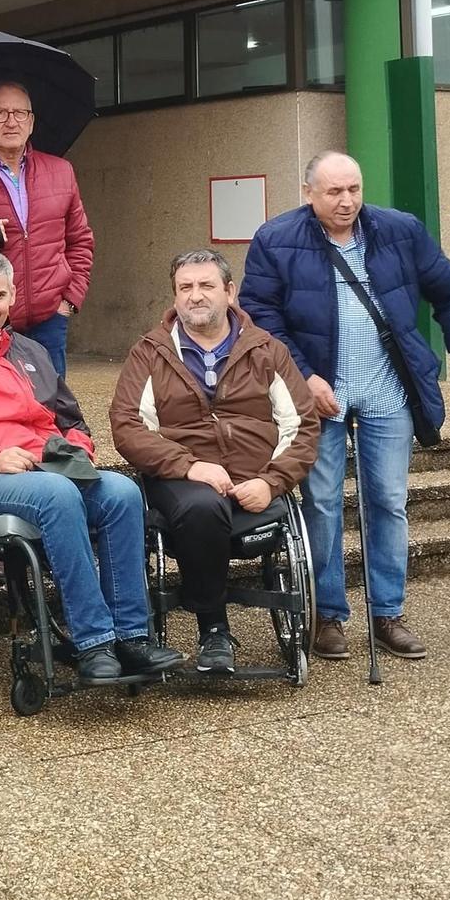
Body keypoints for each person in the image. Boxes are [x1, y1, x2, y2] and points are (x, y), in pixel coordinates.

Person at [238, 151, 450, 662]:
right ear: (309, 193)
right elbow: (261, 318)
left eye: (354, 189)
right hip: (317, 395)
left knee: (388, 500)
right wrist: (304, 376)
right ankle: (328, 615)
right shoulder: (275, 239)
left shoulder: (398, 231)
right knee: (323, 503)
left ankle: (387, 612)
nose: (346, 200)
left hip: (387, 388)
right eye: (333, 192)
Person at [0, 252, 182, 684]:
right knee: (59, 496)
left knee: (123, 492)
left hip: (51, 467)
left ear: (13, 295)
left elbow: (73, 421)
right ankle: (93, 641)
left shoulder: (32, 351)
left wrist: (74, 450)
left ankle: (132, 637)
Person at [109, 250, 320, 673]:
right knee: (202, 505)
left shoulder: (266, 350)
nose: (195, 296)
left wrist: (272, 481)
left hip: (253, 478)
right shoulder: (150, 352)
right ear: (174, 295)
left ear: (229, 291)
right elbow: (127, 425)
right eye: (185, 287)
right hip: (181, 478)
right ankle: (214, 628)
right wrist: (189, 466)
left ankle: (211, 608)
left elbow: (303, 424)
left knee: (217, 506)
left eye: (206, 286)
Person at [0, 81, 93, 378]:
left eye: (20, 113)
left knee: (51, 411)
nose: (11, 121)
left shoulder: (60, 171)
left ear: (32, 121)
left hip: (49, 319)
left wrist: (68, 302)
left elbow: (80, 241)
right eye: (0, 113)